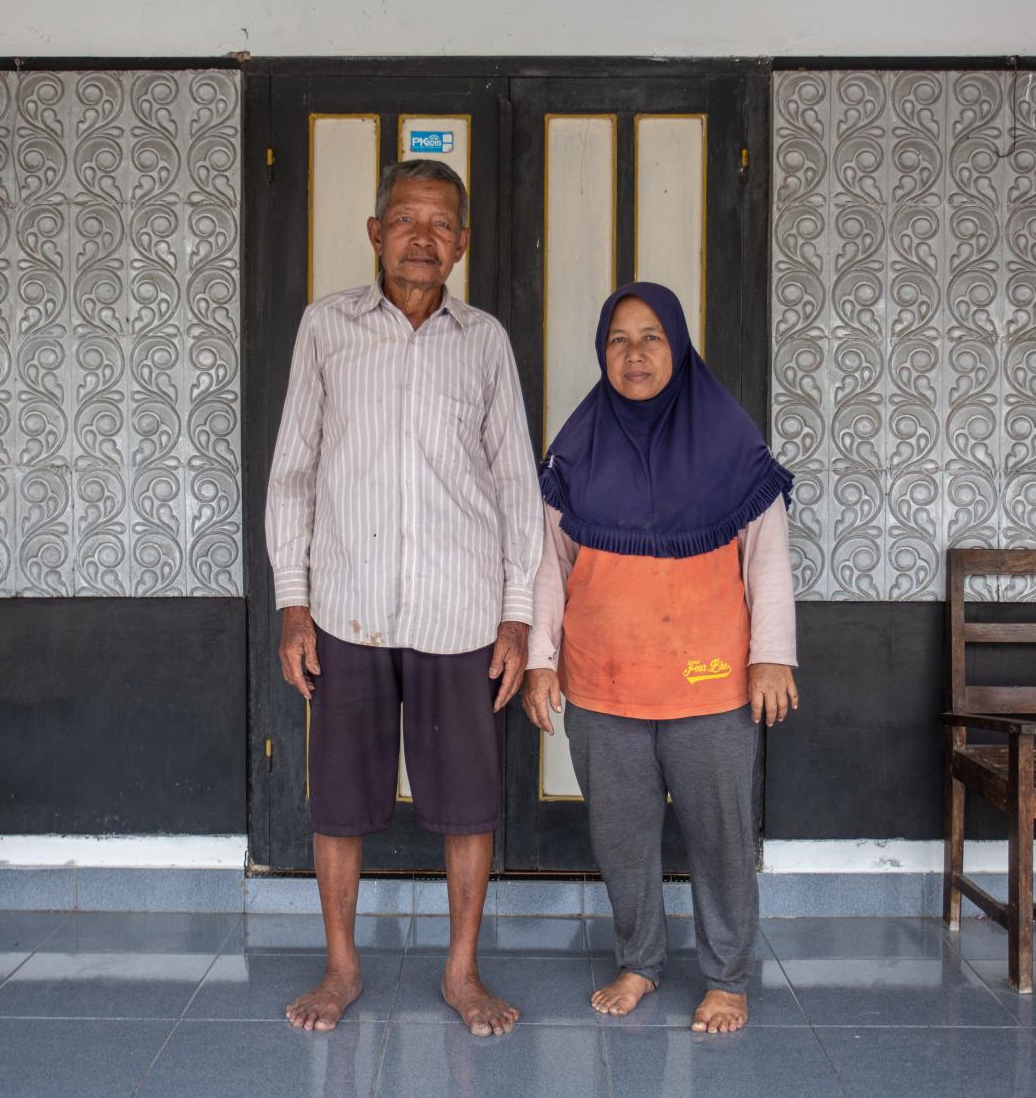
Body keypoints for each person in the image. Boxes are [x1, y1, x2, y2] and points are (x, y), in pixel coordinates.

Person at [266, 158, 542, 1036]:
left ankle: (462, 972)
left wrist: (516, 614)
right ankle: (341, 967)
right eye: (405, 220)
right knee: (340, 799)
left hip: (460, 612)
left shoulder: (485, 340)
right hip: (346, 608)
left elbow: (514, 486)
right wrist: (293, 603)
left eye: (441, 224)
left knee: (466, 801)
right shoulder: (327, 329)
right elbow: (294, 474)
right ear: (377, 232)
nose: (422, 238)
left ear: (461, 243)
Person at [522, 282, 799, 1034]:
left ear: (677, 347)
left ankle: (727, 974)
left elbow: (767, 559)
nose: (635, 353)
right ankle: (640, 961)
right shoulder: (576, 446)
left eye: (651, 337)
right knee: (622, 837)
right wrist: (541, 660)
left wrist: (772, 656)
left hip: (709, 683)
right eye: (618, 339)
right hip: (603, 681)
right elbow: (547, 564)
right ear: (601, 353)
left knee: (721, 836)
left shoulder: (731, 441)